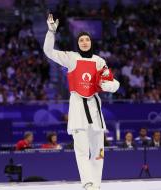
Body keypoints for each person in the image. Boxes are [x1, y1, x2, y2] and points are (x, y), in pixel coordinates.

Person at [43, 14, 120, 190]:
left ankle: (97, 184)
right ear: (77, 43)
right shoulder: (71, 58)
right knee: (82, 151)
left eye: (87, 39)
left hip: (95, 108)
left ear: (91, 42)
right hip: (78, 109)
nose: (84, 42)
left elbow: (112, 83)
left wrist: (109, 85)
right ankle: (87, 183)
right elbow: (48, 51)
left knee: (99, 151)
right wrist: (51, 32)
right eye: (81, 40)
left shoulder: (99, 61)